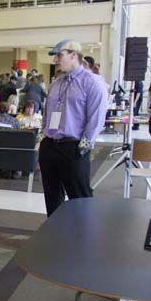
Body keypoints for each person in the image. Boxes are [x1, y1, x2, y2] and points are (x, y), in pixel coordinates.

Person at [40, 39, 108, 217]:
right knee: (52, 197)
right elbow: (48, 112)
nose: (55, 60)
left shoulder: (92, 82)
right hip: (50, 146)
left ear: (73, 55)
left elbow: (96, 118)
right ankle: (56, 236)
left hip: (74, 147)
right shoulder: (56, 83)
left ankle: (83, 239)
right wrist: (44, 135)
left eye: (59, 55)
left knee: (80, 198)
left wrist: (83, 148)